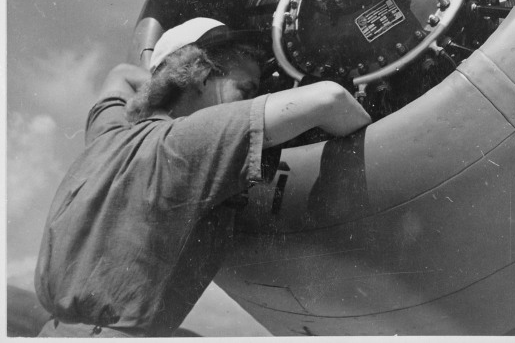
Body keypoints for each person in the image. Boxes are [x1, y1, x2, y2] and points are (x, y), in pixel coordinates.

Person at [34, 18, 371, 337]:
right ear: (202, 77)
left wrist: (164, 78)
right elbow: (331, 98)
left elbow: (121, 75)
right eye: (246, 89)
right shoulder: (191, 141)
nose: (253, 101)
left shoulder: (107, 134)